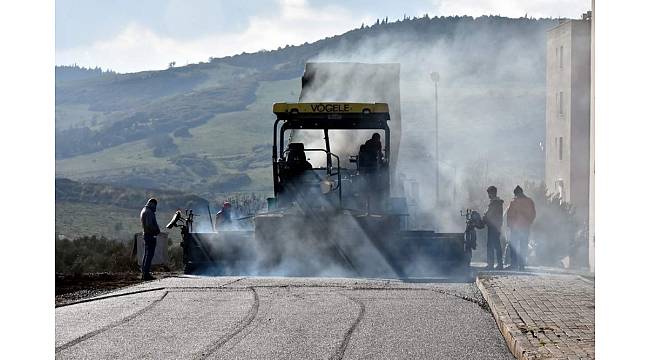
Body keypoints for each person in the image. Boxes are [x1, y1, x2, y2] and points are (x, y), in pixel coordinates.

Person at [506, 185, 536, 271]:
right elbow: (533, 214)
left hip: (515, 228)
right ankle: (522, 265)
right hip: (525, 228)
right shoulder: (530, 202)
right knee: (523, 246)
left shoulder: (514, 202)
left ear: (516, 193)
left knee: (514, 246)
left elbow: (510, 215)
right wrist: (528, 223)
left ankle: (514, 265)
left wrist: (509, 225)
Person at [483, 186, 504, 270]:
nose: (488, 195)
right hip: (496, 227)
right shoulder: (496, 203)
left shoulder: (495, 203)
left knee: (491, 246)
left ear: (493, 193)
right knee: (496, 246)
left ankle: (491, 264)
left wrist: (483, 219)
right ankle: (499, 264)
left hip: (493, 227)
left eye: (489, 193)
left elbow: (489, 214)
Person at [140, 198, 160, 280]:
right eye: (155, 205)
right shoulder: (149, 212)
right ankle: (146, 274)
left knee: (146, 254)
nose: (155, 208)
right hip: (150, 235)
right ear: (152, 204)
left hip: (146, 235)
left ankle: (144, 273)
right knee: (149, 255)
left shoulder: (144, 210)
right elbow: (149, 225)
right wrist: (156, 231)